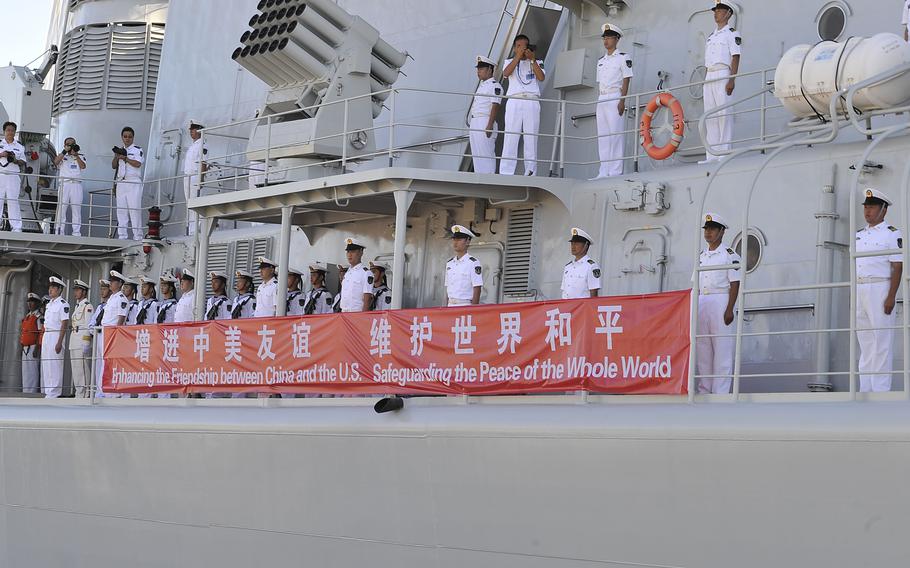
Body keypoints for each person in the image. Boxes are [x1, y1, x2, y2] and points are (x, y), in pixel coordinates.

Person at [856, 188, 904, 393]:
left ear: (883, 210)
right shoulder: (858, 235)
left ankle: (881, 391)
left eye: (872, 207)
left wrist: (891, 296)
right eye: (866, 207)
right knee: (865, 341)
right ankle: (865, 389)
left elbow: (897, 266)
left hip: (880, 287)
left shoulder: (891, 234)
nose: (868, 211)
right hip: (860, 288)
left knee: (882, 341)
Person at [696, 213, 741, 394]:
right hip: (702, 301)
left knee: (722, 348)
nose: (708, 232)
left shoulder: (730, 255)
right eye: (706, 229)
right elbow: (695, 284)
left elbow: (735, 283)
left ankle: (720, 392)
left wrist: (730, 308)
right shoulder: (701, 256)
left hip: (721, 299)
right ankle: (705, 389)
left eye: (713, 229)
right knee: (703, 347)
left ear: (722, 231)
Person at [500, 35, 545, 176]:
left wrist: (532, 59)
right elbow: (505, 74)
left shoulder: (537, 61)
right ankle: (506, 171)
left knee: (531, 137)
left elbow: (541, 77)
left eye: (524, 45)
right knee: (511, 136)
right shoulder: (509, 61)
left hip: (531, 100)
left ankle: (530, 171)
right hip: (515, 100)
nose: (521, 48)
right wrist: (517, 57)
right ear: (514, 48)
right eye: (518, 46)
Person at [702, 2, 741, 162]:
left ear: (728, 14)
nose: (716, 13)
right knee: (710, 115)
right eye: (715, 11)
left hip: (723, 73)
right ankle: (712, 154)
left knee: (723, 114)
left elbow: (736, 56)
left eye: (720, 11)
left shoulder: (731, 34)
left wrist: (732, 79)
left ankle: (724, 153)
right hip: (710, 75)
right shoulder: (711, 36)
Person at [593, 24, 633, 180]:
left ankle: (615, 171)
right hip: (602, 97)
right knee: (602, 135)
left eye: (609, 37)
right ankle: (603, 171)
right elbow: (599, 82)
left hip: (615, 96)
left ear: (617, 39)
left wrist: (622, 100)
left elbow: (626, 79)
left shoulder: (623, 57)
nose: (606, 40)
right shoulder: (600, 61)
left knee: (615, 134)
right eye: (604, 37)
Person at [97, 270, 131, 397]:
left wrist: (117, 335)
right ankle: (102, 390)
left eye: (114, 282)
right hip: (105, 331)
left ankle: (109, 392)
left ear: (120, 283)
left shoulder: (121, 299)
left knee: (110, 362)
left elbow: (121, 318)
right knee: (103, 362)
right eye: (110, 281)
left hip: (113, 333)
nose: (111, 284)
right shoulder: (112, 298)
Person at [469, 56, 503, 174]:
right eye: (478, 69)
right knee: (477, 155)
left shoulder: (495, 86)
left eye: (481, 68)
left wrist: (489, 125)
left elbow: (495, 105)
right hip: (475, 121)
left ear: (490, 69)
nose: (478, 71)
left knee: (486, 154)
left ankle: (489, 180)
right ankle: (480, 181)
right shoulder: (482, 86)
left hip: (485, 121)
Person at [111, 126, 144, 240]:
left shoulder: (137, 150)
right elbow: (114, 166)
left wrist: (125, 158)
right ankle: (122, 236)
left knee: (134, 210)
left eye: (129, 137)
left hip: (133, 181)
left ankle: (138, 236)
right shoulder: (120, 150)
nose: (127, 139)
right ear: (122, 137)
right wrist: (117, 156)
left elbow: (138, 164)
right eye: (125, 136)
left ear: (133, 137)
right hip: (121, 182)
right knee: (121, 211)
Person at [41, 277, 70, 398]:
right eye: (50, 287)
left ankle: (54, 392)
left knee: (55, 363)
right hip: (47, 334)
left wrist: (59, 342)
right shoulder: (50, 304)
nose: (50, 290)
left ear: (59, 290)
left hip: (55, 334)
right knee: (46, 363)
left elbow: (64, 323)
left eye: (53, 288)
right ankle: (48, 391)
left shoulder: (63, 304)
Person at [53, 136, 86, 236]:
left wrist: (76, 155)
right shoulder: (62, 156)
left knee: (76, 209)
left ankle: (76, 232)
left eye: (73, 144)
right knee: (61, 209)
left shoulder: (81, 156)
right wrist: (64, 151)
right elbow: (55, 162)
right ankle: (59, 231)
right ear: (65, 145)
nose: (71, 146)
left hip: (76, 184)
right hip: (65, 184)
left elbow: (83, 166)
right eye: (69, 144)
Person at [445, 225, 484, 306]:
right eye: (454, 239)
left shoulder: (473, 263)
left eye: (459, 239)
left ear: (467, 241)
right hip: (450, 305)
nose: (455, 242)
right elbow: (448, 288)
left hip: (464, 305)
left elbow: (477, 288)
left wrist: (473, 310)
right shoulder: (450, 264)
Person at [68, 279, 94, 398]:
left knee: (83, 368)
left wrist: (86, 342)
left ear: (84, 292)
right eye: (75, 290)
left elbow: (88, 326)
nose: (76, 292)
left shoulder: (87, 306)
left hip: (81, 341)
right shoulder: (77, 306)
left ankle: (85, 393)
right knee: (76, 369)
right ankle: (79, 392)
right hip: (74, 340)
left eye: (78, 290)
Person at [561, 228, 602, 298]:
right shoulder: (568, 267)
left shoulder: (591, 267)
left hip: (582, 308)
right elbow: (565, 291)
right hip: (567, 307)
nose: (573, 246)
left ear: (586, 245)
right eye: (572, 243)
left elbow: (594, 294)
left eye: (576, 244)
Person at [183, 120, 208, 235]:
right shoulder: (193, 146)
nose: (191, 131)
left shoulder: (202, 144)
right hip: (187, 176)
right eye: (191, 129)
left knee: (194, 203)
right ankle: (190, 229)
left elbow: (203, 162)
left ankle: (194, 230)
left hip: (194, 176)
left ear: (199, 130)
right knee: (188, 203)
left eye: (194, 129)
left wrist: (201, 179)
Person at [0, 121, 26, 232]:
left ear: (15, 132)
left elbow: (23, 162)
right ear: (4, 132)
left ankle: (16, 227)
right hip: (1, 174)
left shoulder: (20, 146)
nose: (10, 132)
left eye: (12, 130)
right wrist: (2, 154)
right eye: (8, 130)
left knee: (13, 200)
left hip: (13, 175)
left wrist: (15, 160)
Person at [340, 238, 374, 312]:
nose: (349, 255)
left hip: (356, 314)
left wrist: (362, 318)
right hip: (343, 314)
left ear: (361, 252)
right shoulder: (347, 273)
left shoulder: (366, 273)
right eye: (348, 252)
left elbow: (367, 299)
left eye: (353, 251)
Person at [90, 279, 111, 396]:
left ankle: (104, 390)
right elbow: (92, 321)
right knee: (98, 363)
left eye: (104, 289)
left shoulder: (110, 305)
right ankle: (99, 390)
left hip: (106, 335)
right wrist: (92, 329)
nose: (102, 291)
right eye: (101, 289)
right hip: (97, 335)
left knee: (104, 362)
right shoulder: (100, 307)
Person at [20, 293, 42, 394]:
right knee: (25, 371)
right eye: (28, 301)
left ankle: (32, 392)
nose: (29, 304)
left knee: (33, 371)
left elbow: (40, 332)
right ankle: (26, 391)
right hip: (25, 347)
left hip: (33, 347)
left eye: (32, 301)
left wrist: (37, 348)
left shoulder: (38, 317)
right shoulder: (27, 316)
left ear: (37, 303)